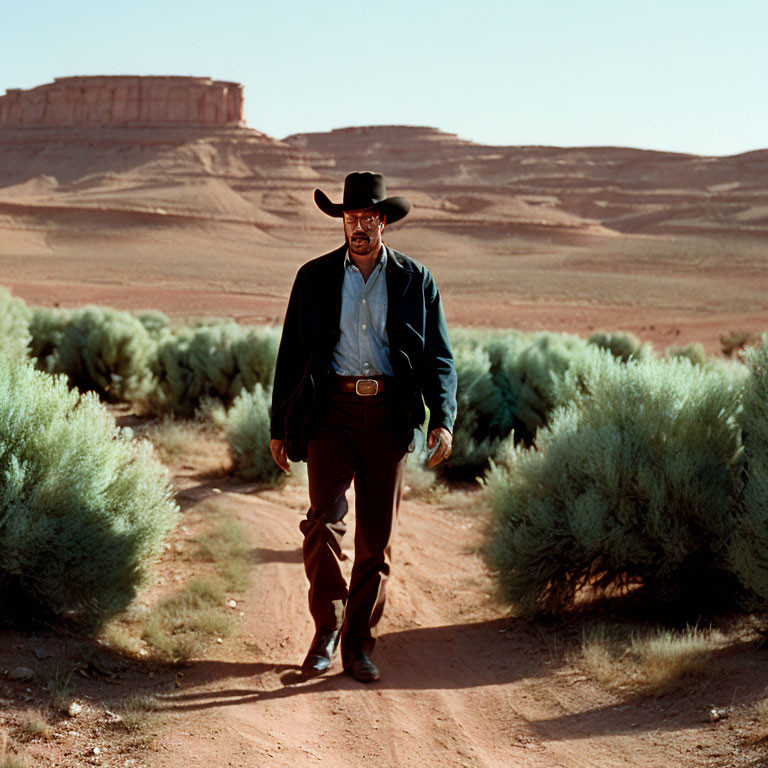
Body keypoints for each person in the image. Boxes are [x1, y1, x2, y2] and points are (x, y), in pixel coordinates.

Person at [269, 171, 457, 683]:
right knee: (322, 522)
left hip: (391, 414)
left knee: (377, 540)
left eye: (367, 218)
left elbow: (440, 357)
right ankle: (326, 629)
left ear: (383, 222)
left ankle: (358, 644)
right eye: (350, 218)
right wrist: (279, 425)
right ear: (343, 222)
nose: (358, 227)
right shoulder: (313, 277)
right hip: (330, 411)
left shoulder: (416, 280)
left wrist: (443, 418)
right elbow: (290, 356)